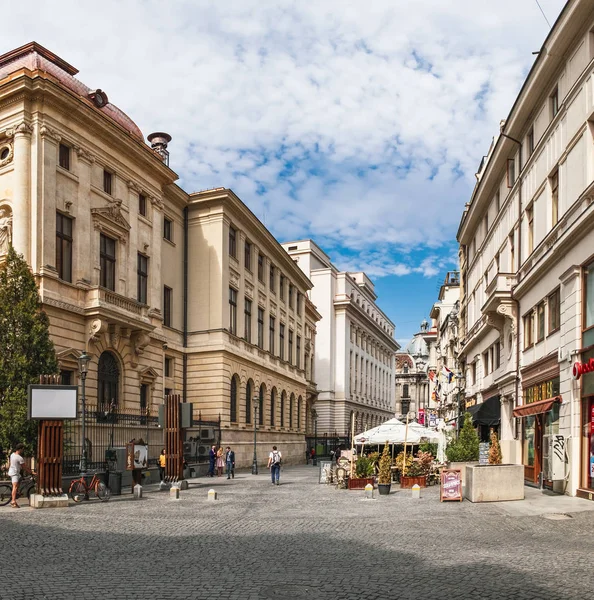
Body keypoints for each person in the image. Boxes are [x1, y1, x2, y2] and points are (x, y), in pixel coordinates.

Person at [8, 443, 34, 508]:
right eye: (22, 449)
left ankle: (17, 492)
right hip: (15, 473)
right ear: (20, 449)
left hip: (12, 471)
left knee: (21, 478)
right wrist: (31, 472)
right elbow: (24, 467)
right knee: (15, 487)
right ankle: (13, 501)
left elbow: (12, 463)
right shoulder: (19, 458)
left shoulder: (12, 454)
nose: (23, 450)